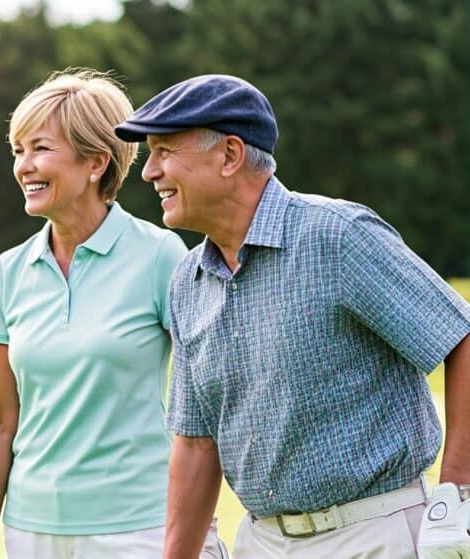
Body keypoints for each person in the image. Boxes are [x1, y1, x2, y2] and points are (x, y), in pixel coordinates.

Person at [113, 74, 470, 559]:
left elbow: (460, 337)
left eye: (165, 151)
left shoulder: (337, 236)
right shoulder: (187, 283)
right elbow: (196, 444)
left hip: (373, 537)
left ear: (230, 155)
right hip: (260, 542)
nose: (148, 171)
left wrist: (457, 494)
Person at [0, 69, 227, 558]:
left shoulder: (159, 256)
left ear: (95, 163)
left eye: (40, 148)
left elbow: (210, 400)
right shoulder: (8, 272)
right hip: (32, 531)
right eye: (18, 150)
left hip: (141, 528)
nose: (24, 165)